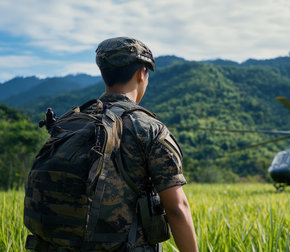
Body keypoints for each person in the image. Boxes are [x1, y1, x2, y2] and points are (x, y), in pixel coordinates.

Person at [25, 37, 198, 252]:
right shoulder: (148, 128)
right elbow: (177, 209)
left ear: (103, 73)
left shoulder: (70, 122)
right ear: (142, 73)